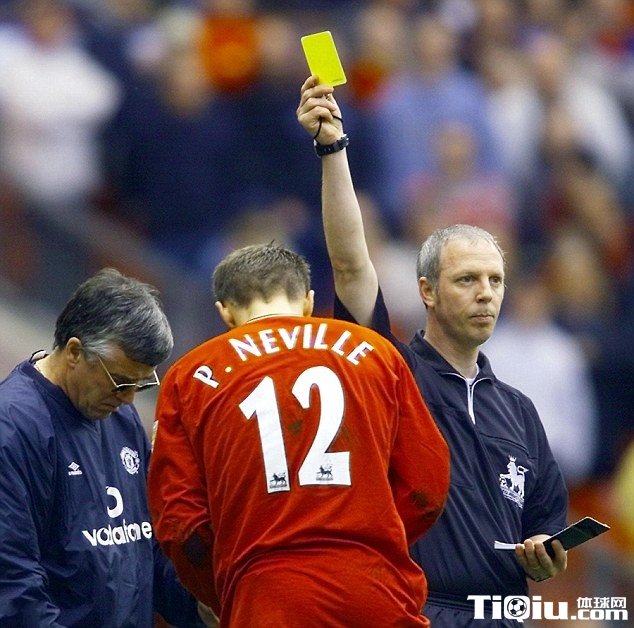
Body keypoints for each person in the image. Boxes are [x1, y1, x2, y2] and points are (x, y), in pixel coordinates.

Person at [297, 75, 569, 627]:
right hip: (416, 611)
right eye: (467, 279)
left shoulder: (519, 410)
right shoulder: (391, 371)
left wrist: (546, 553)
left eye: (495, 280)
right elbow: (351, 265)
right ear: (426, 291)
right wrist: (332, 148)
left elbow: (547, 527)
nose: (486, 294)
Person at [147, 243, 450, 627]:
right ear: (308, 302)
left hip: (267, 595)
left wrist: (224, 588)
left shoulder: (190, 376)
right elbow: (427, 487)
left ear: (224, 311)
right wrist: (375, 541)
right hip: (374, 589)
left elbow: (180, 524)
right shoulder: (377, 352)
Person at [0, 268, 206, 627]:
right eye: (121, 382)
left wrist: (205, 609)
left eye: (141, 385)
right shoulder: (14, 428)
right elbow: (13, 583)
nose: (129, 399)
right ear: (75, 352)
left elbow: (150, 548)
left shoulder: (120, 417)